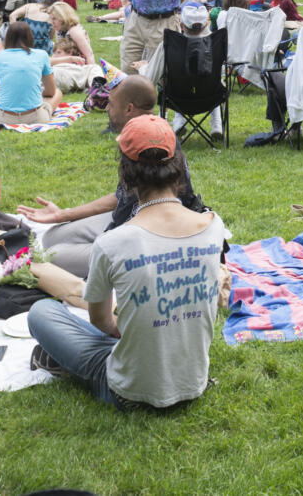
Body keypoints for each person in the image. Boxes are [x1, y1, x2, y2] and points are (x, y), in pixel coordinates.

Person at [26, 116, 228, 411]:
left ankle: (69, 364)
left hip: (128, 392)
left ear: (126, 175)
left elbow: (101, 321)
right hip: (193, 382)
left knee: (41, 312)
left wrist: (134, 328)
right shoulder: (214, 225)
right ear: (178, 168)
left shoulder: (111, 243)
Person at [16, 76, 209, 275]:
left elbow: (150, 210)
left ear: (129, 108)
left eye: (111, 103)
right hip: (130, 222)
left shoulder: (148, 144)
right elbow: (124, 196)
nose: (106, 108)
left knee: (52, 255)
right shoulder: (150, 132)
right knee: (51, 238)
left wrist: (110, 240)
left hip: (149, 237)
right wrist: (64, 214)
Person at [0, 19, 57, 125]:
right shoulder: (42, 55)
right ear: (30, 37)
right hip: (37, 117)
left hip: (3, 118)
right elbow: (51, 91)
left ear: (7, 38)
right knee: (57, 93)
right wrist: (36, 92)